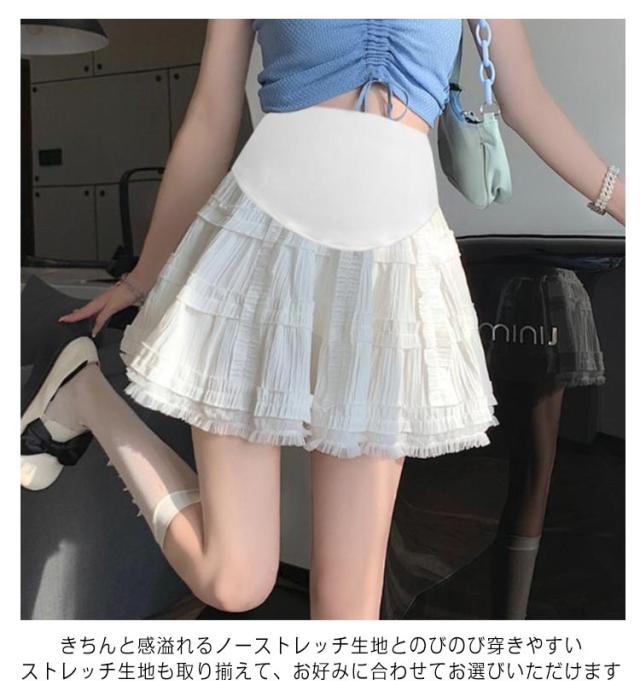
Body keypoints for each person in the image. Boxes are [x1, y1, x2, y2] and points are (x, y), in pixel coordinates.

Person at [20, 19, 625, 620]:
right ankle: (85, 392)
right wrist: (141, 277)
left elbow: (525, 100)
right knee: (234, 580)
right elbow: (211, 116)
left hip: (389, 278)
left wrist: (626, 204)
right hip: (259, 251)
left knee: (348, 615)